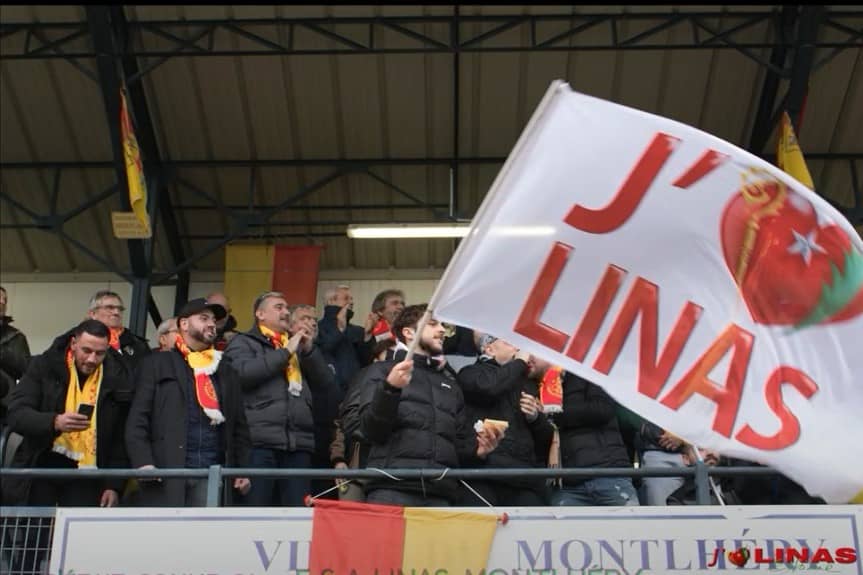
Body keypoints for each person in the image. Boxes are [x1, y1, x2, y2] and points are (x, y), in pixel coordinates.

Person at [356, 304, 504, 507]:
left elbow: (457, 444)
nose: (442, 330)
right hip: (391, 490)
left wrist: (478, 451)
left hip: (440, 493)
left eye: (443, 325)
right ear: (408, 333)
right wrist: (390, 389)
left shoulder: (450, 384)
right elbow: (370, 430)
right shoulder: (380, 372)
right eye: (433, 324)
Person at [125, 298, 251, 506]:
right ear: (183, 324)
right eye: (203, 318)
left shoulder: (225, 368)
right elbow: (138, 418)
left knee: (203, 537)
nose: (211, 324)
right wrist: (143, 462)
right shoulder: (157, 363)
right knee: (167, 537)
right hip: (167, 471)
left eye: (213, 320)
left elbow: (239, 426)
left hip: (212, 473)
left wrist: (242, 469)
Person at [223, 293, 333, 506]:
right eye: (279, 307)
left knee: (296, 513)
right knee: (256, 511)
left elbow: (327, 388)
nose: (285, 312)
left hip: (298, 443)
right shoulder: (243, 341)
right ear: (260, 314)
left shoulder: (298, 346)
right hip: (259, 444)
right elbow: (241, 376)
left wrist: (309, 351)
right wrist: (285, 352)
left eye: (286, 308)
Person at [6, 319, 129, 507]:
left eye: (100, 354)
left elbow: (120, 438)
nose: (92, 359)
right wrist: (54, 422)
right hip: (41, 465)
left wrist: (114, 485)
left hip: (90, 475)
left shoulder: (117, 378)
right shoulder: (44, 366)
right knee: (38, 532)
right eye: (86, 351)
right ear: (73, 344)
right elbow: (16, 414)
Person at [457, 334, 554, 506]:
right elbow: (489, 388)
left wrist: (536, 418)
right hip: (484, 474)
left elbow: (545, 441)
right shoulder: (470, 373)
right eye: (510, 343)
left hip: (523, 478)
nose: (517, 349)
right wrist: (520, 363)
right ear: (489, 349)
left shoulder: (528, 384)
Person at [546, 359, 639, 507]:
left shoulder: (590, 372)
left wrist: (555, 412)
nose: (530, 358)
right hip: (569, 484)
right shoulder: (539, 387)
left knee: (628, 529)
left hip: (608, 474)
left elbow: (602, 409)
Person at [317, 285, 372, 391]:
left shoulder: (358, 331)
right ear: (331, 301)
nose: (351, 302)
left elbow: (366, 362)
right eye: (346, 298)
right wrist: (339, 331)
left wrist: (367, 336)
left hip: (355, 393)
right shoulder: (317, 328)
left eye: (352, 299)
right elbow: (319, 355)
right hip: (326, 393)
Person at [86, 290, 151, 375]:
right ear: (93, 314)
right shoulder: (79, 339)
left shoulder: (139, 344)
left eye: (120, 309)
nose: (116, 312)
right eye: (109, 307)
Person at [0, 286, 30, 426]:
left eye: (5, 300)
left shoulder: (16, 337)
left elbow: (25, 369)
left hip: (3, 404)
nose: (2, 302)